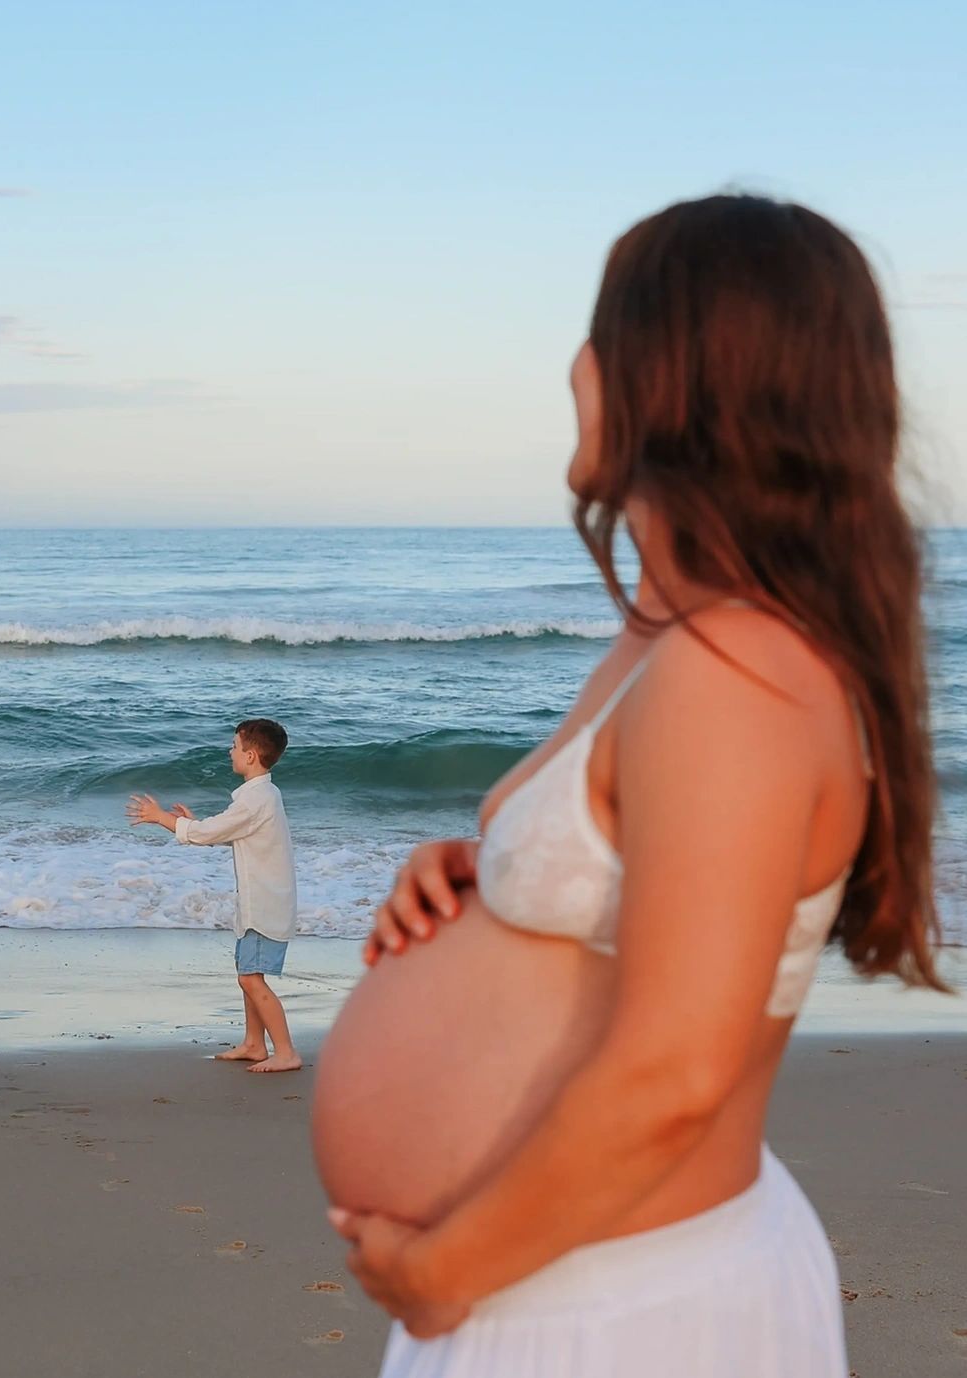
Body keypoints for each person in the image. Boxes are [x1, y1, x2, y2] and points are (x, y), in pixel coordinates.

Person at [318, 194, 945, 1376]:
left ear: (675, 375)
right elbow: (641, 883)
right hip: (560, 1279)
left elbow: (675, 1070)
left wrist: (443, 1275)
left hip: (611, 1309)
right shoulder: (675, 637)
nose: (574, 362)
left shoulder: (740, 670)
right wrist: (494, 878)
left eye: (602, 327)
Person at [128, 718, 300, 1072]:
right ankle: (254, 1043)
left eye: (234, 746)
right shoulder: (263, 795)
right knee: (249, 973)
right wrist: (195, 824)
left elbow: (213, 831)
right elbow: (229, 830)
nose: (230, 751)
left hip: (265, 903)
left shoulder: (256, 800)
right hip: (262, 900)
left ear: (251, 756)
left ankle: (286, 1052)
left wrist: (164, 819)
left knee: (250, 978)